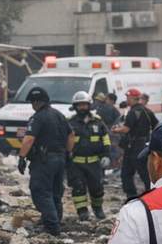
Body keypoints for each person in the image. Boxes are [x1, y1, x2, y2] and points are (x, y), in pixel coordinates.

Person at [18, 87, 74, 236]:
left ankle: (52, 226)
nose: (32, 105)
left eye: (32, 102)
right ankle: (55, 220)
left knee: (41, 192)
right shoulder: (59, 115)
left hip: (43, 160)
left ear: (36, 102)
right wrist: (68, 153)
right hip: (60, 158)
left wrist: (22, 157)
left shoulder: (38, 117)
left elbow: (29, 139)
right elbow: (71, 135)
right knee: (55, 192)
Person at [67, 91, 111, 220]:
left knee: (97, 188)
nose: (82, 107)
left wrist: (106, 155)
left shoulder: (97, 121)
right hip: (76, 163)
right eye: (79, 105)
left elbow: (105, 139)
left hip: (94, 163)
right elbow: (64, 140)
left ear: (89, 105)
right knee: (78, 188)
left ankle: (98, 209)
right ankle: (82, 212)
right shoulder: (70, 122)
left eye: (84, 104)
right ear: (75, 106)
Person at [113, 88, 156, 199]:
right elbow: (156, 125)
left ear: (132, 98)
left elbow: (126, 129)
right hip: (144, 145)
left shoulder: (132, 112)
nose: (127, 99)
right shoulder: (147, 111)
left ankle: (131, 196)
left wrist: (116, 130)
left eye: (128, 97)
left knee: (126, 173)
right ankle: (151, 194)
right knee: (145, 173)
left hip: (133, 147)